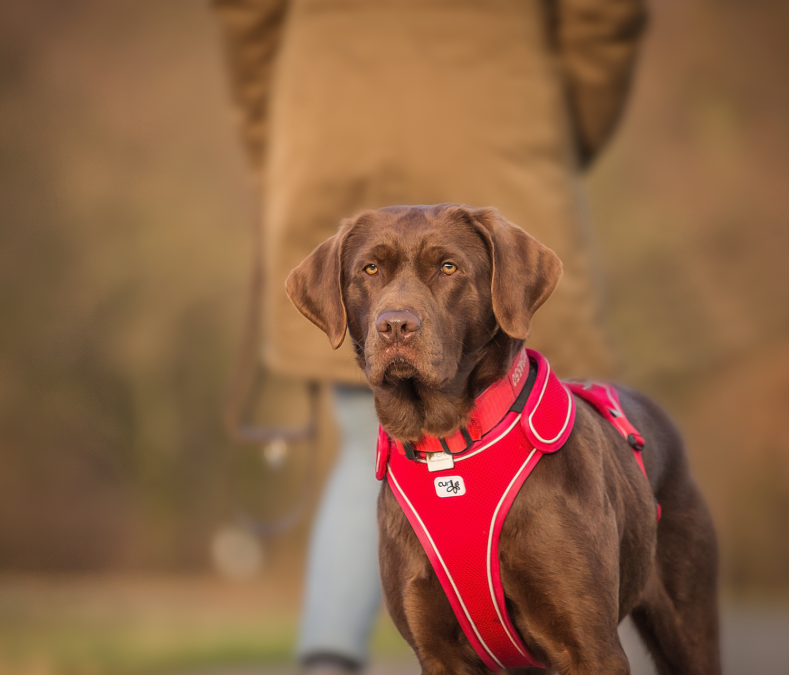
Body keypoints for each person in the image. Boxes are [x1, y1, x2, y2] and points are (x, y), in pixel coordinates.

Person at [212, 1, 647, 672]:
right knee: (533, 433)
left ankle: (329, 658)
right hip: (500, 135)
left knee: (369, 446)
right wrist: (563, 131)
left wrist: (279, 139)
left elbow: (249, 14)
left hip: (328, 137)